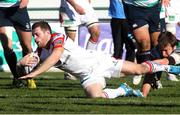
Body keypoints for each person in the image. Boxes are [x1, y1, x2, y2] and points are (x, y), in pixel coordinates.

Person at [18, 21, 180, 99]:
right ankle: (123, 90)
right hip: (87, 76)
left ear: (47, 32)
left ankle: (168, 67)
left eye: (37, 34)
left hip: (98, 62)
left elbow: (55, 56)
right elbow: (25, 69)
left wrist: (35, 73)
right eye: (33, 35)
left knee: (140, 69)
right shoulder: (39, 52)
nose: (35, 38)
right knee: (96, 97)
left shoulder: (57, 37)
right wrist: (21, 64)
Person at [123, 0, 170, 85]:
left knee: (158, 45)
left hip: (154, 7)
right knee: (144, 42)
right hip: (134, 7)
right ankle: (141, 69)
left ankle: (156, 78)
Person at [59, 0, 100, 80]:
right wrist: (75, 5)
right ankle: (69, 71)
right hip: (69, 8)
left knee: (96, 32)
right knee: (70, 42)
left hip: (86, 7)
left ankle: (88, 63)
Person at [0, 0, 36, 88]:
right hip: (1, 9)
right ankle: (17, 78)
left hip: (18, 8)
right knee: (7, 47)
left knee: (27, 47)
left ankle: (29, 76)